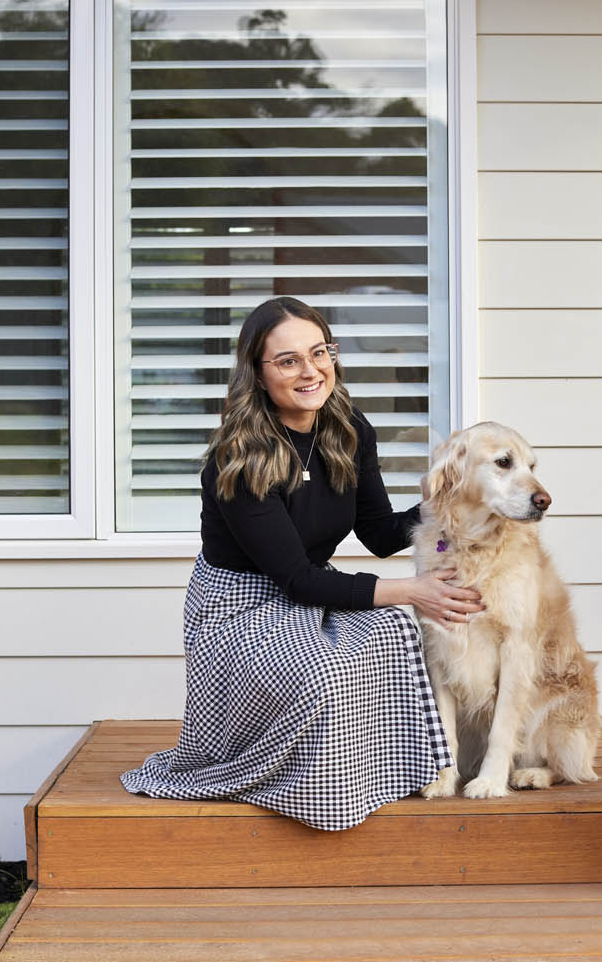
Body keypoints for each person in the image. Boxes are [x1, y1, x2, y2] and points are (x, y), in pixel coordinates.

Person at [120, 296, 484, 830]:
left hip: (315, 589)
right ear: (257, 374)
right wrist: (412, 590)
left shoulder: (349, 428)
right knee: (324, 670)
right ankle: (297, 785)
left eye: (320, 353)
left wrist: (453, 499)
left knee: (391, 636)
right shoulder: (239, 457)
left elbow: (381, 534)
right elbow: (295, 577)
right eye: (288, 360)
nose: (310, 370)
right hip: (238, 607)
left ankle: (363, 778)